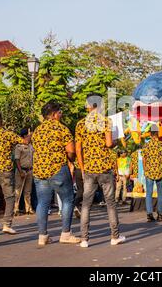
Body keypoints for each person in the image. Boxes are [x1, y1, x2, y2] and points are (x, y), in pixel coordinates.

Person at [75, 94, 125, 248]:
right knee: (110, 204)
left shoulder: (80, 124)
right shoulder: (106, 121)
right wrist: (115, 141)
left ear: (89, 105)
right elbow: (109, 143)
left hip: (89, 169)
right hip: (105, 168)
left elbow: (78, 149)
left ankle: (84, 239)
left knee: (86, 205)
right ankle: (114, 237)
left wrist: (83, 168)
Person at [31, 101, 80, 247]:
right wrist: (71, 160)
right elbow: (71, 151)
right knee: (67, 200)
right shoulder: (62, 129)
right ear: (53, 114)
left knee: (43, 202)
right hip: (58, 168)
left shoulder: (37, 131)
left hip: (40, 170)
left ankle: (42, 235)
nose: (61, 114)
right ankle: (65, 233)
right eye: (59, 112)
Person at [0, 113, 25, 236]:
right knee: (9, 197)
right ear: (2, 121)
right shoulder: (8, 134)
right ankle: (7, 225)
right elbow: (23, 141)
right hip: (6, 171)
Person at [142, 129, 162, 223]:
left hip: (149, 172)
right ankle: (160, 214)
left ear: (150, 134)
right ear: (157, 134)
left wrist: (145, 170)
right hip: (159, 172)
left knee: (149, 193)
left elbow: (144, 159)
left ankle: (149, 215)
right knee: (160, 194)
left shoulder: (146, 145)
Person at [14, 128, 35, 216]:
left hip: (29, 170)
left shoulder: (31, 146)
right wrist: (20, 171)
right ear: (25, 136)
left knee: (28, 191)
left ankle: (28, 208)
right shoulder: (19, 146)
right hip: (21, 170)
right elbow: (17, 160)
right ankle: (15, 209)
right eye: (29, 134)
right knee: (18, 191)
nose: (31, 135)